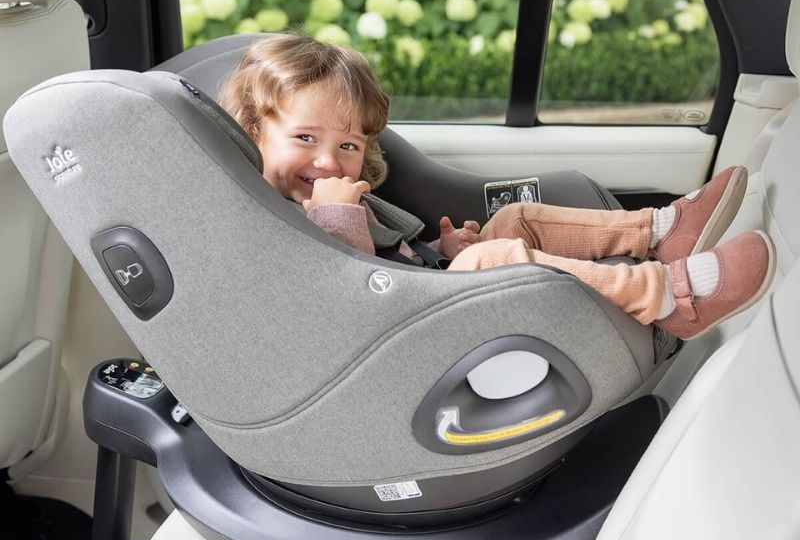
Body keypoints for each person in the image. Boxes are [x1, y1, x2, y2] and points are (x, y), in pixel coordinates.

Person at [219, 34, 776, 340]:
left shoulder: (328, 194)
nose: (328, 161)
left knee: (513, 220)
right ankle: (671, 298)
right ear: (251, 131)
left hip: (417, 292)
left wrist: (439, 252)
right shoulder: (271, 217)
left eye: (348, 144)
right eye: (305, 138)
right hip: (400, 332)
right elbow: (346, 292)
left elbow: (389, 261)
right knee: (493, 257)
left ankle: (660, 230)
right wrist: (338, 217)